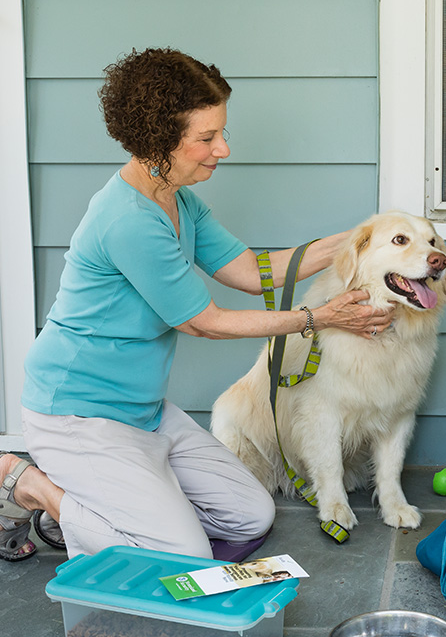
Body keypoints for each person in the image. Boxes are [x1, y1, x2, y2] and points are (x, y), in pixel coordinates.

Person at [0, 48, 393, 563]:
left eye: (221, 133)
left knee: (251, 515)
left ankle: (128, 494)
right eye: (206, 138)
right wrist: (318, 318)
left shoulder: (178, 198)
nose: (222, 149)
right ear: (157, 140)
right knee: (178, 553)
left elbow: (254, 273)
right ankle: (32, 484)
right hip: (79, 413)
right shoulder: (129, 220)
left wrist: (366, 236)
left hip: (144, 411)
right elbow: (205, 323)